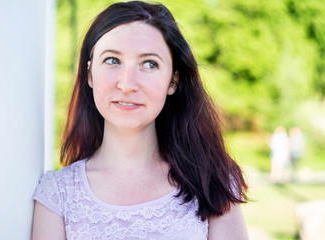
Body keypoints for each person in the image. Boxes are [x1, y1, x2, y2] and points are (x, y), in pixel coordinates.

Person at [32, 1, 248, 239]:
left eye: (149, 64)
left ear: (173, 81)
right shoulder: (57, 195)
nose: (127, 84)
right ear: (90, 73)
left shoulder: (213, 182)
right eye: (112, 60)